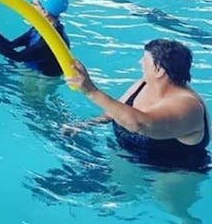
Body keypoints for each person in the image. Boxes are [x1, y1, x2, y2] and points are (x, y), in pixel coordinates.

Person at [67, 39, 209, 170]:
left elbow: (140, 125)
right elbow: (114, 111)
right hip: (130, 158)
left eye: (145, 59)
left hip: (175, 172)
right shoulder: (143, 84)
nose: (140, 62)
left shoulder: (189, 106)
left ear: (159, 70)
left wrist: (91, 91)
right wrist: (85, 125)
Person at [0, 0, 70, 77]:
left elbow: (17, 56)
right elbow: (11, 45)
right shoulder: (42, 27)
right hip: (33, 67)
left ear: (45, 12)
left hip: (42, 79)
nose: (29, 5)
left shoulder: (52, 40)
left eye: (33, 4)